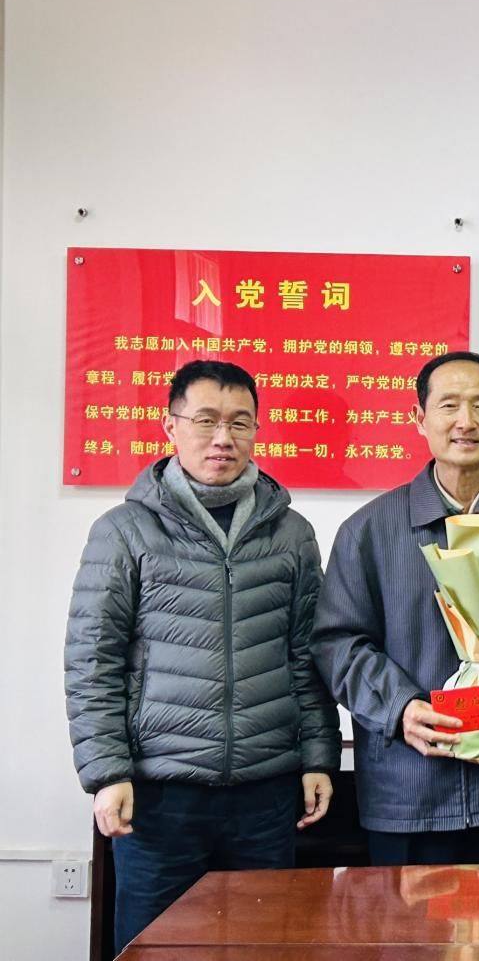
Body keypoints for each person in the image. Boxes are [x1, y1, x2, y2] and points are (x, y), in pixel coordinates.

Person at [65, 360, 339, 954]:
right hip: (160, 795)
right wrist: (107, 773)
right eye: (206, 420)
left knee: (263, 947)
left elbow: (307, 654)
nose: (223, 438)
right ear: (171, 426)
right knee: (156, 948)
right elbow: (93, 660)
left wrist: (319, 755)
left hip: (266, 792)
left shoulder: (291, 533)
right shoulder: (125, 531)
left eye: (240, 422)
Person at [310, 350, 479, 865]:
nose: (466, 421)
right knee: (403, 921)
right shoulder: (368, 531)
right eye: (449, 405)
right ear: (419, 418)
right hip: (406, 792)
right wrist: (400, 709)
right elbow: (338, 645)